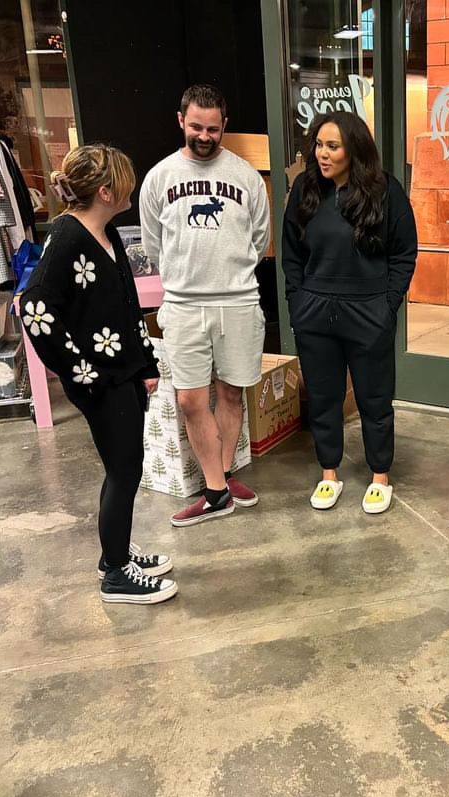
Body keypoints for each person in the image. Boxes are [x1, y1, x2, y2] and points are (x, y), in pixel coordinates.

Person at [21, 144, 177, 605]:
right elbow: (35, 309)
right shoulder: (69, 239)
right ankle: (116, 572)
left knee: (126, 468)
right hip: (103, 380)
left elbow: (127, 307)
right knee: (124, 471)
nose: (132, 190)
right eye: (124, 184)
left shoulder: (105, 234)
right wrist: (82, 372)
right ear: (106, 192)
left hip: (122, 374)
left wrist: (144, 363)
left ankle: (117, 554)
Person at [140, 84, 271, 526]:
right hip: (183, 304)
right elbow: (154, 245)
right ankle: (217, 491)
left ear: (224, 126)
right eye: (196, 126)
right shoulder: (159, 177)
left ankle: (221, 483)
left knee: (231, 393)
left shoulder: (246, 178)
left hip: (238, 301)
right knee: (191, 400)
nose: (204, 136)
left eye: (213, 129)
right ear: (181, 121)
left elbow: (259, 239)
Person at [282, 111, 417, 513]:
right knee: (323, 398)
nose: (321, 154)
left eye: (332, 146)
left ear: (354, 150)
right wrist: (298, 301)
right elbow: (291, 253)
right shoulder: (304, 189)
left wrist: (386, 305)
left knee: (375, 399)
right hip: (315, 311)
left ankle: (380, 476)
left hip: (368, 310)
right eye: (318, 145)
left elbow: (404, 253)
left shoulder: (385, 191)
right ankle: (329, 474)